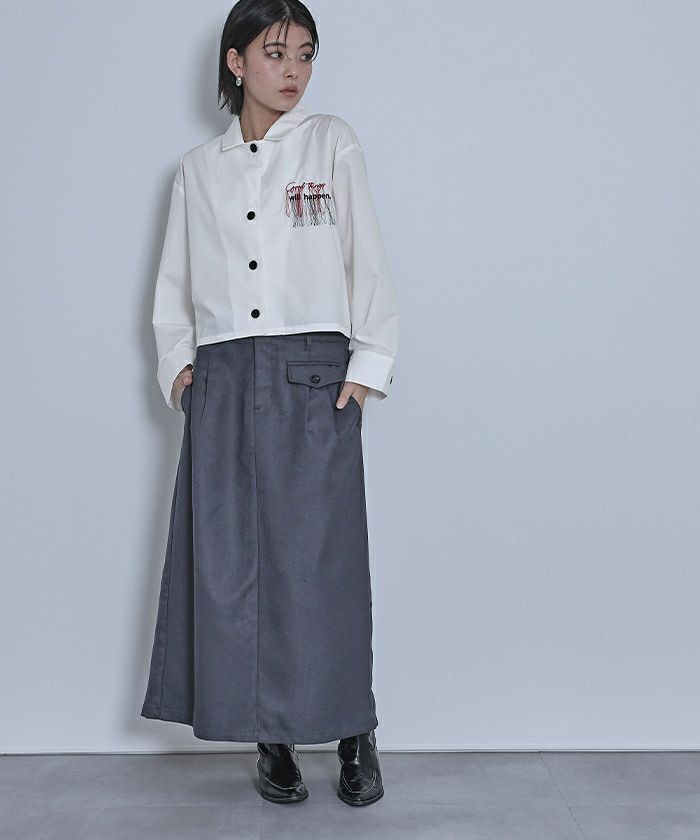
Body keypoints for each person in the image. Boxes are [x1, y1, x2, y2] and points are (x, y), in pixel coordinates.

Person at [140, 0, 398, 809]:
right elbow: (175, 285)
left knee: (320, 566)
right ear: (236, 60)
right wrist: (182, 370)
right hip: (223, 376)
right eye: (276, 51)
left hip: (314, 374)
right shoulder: (198, 169)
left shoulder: (331, 142)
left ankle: (354, 731)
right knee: (233, 566)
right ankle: (271, 740)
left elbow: (366, 257)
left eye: (306, 53)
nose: (293, 70)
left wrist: (369, 364)